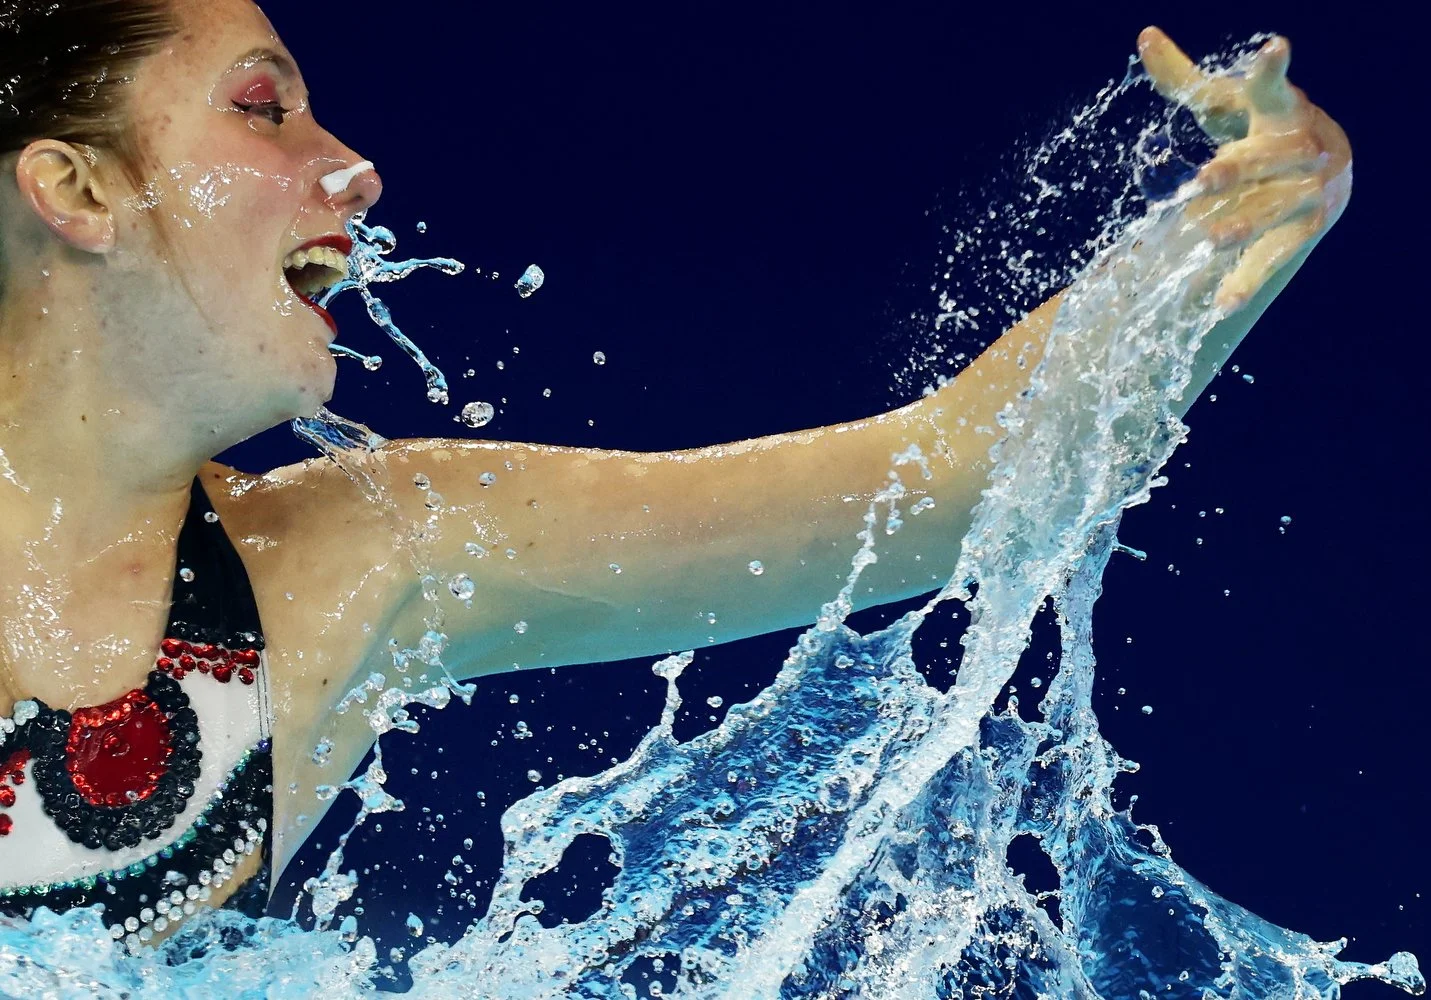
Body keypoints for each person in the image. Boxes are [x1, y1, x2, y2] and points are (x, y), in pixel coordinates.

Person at [0, 0, 1349, 949]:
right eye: (260, 106)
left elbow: (954, 482)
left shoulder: (356, 557)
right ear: (76, 187)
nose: (349, 169)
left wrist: (1240, 217)